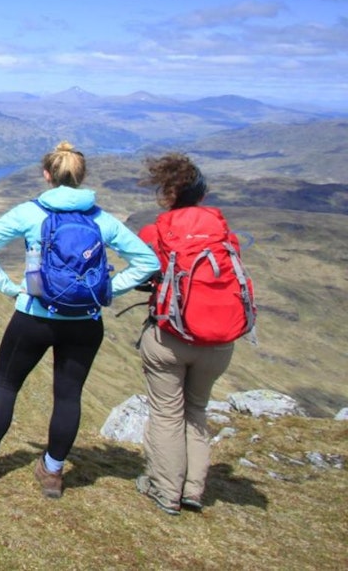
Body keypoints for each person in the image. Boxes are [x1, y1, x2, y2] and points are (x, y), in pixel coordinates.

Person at [0, 142, 159, 498]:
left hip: (35, 316)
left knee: (7, 385)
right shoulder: (102, 220)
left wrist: (9, 287)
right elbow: (148, 263)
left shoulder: (30, 213)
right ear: (82, 178)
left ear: (47, 175)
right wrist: (107, 290)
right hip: (86, 323)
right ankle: (52, 473)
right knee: (68, 396)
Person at [133, 153, 242, 515]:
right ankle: (194, 489)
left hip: (170, 340)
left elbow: (141, 273)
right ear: (202, 193)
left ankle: (165, 490)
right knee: (196, 410)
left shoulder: (157, 231)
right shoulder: (224, 233)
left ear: (167, 194)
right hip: (219, 342)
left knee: (167, 413)